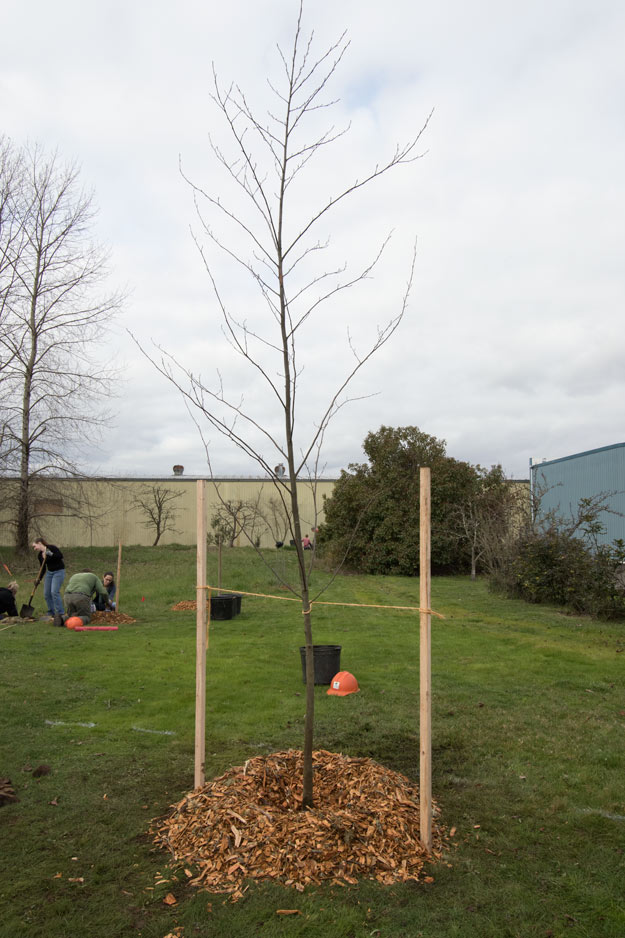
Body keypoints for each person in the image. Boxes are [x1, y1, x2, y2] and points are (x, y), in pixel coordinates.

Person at [32, 538, 65, 621]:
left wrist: (49, 553)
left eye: (35, 546)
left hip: (59, 572)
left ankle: (60, 613)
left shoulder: (52, 548)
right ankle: (51, 611)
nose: (34, 549)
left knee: (54, 592)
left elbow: (60, 556)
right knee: (46, 593)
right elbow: (42, 569)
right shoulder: (40, 555)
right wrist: (38, 579)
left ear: (39, 543)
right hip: (50, 573)